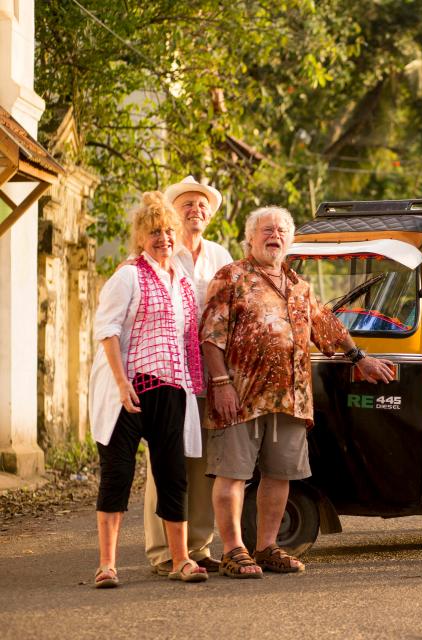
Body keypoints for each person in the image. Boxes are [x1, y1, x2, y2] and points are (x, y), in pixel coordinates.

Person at [201, 206, 395, 578]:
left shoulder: (299, 287)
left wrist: (360, 358)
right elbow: (211, 335)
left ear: (290, 240)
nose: (274, 235)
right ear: (251, 238)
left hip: (291, 397)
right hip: (241, 395)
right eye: (266, 230)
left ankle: (267, 547)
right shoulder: (232, 277)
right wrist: (221, 383)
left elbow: (329, 328)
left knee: (280, 474)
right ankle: (232, 550)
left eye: (281, 231)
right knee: (233, 474)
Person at [88, 192, 209, 587]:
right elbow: (107, 330)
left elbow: (185, 336)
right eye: (155, 232)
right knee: (117, 474)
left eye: (169, 232)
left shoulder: (183, 282)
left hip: (171, 389)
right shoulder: (128, 275)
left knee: (173, 474)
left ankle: (181, 560)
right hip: (129, 390)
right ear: (141, 237)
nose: (164, 239)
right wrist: (122, 385)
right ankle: (107, 565)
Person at [142, 176, 233, 577]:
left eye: (201, 205)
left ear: (210, 215)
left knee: (202, 460)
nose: (195, 210)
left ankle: (198, 545)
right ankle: (163, 550)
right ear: (174, 213)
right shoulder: (162, 251)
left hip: (211, 371)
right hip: (167, 371)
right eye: (187, 205)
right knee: (165, 458)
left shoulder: (220, 255)